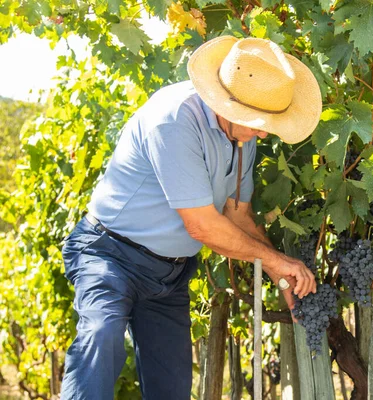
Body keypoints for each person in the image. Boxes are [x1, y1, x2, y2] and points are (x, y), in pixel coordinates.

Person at [60, 35, 322, 400]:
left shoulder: (243, 137)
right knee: (100, 337)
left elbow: (238, 215)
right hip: (110, 255)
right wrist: (276, 261)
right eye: (256, 121)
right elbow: (202, 225)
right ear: (228, 102)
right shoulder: (174, 120)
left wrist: (283, 275)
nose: (263, 131)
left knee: (171, 387)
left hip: (169, 274)